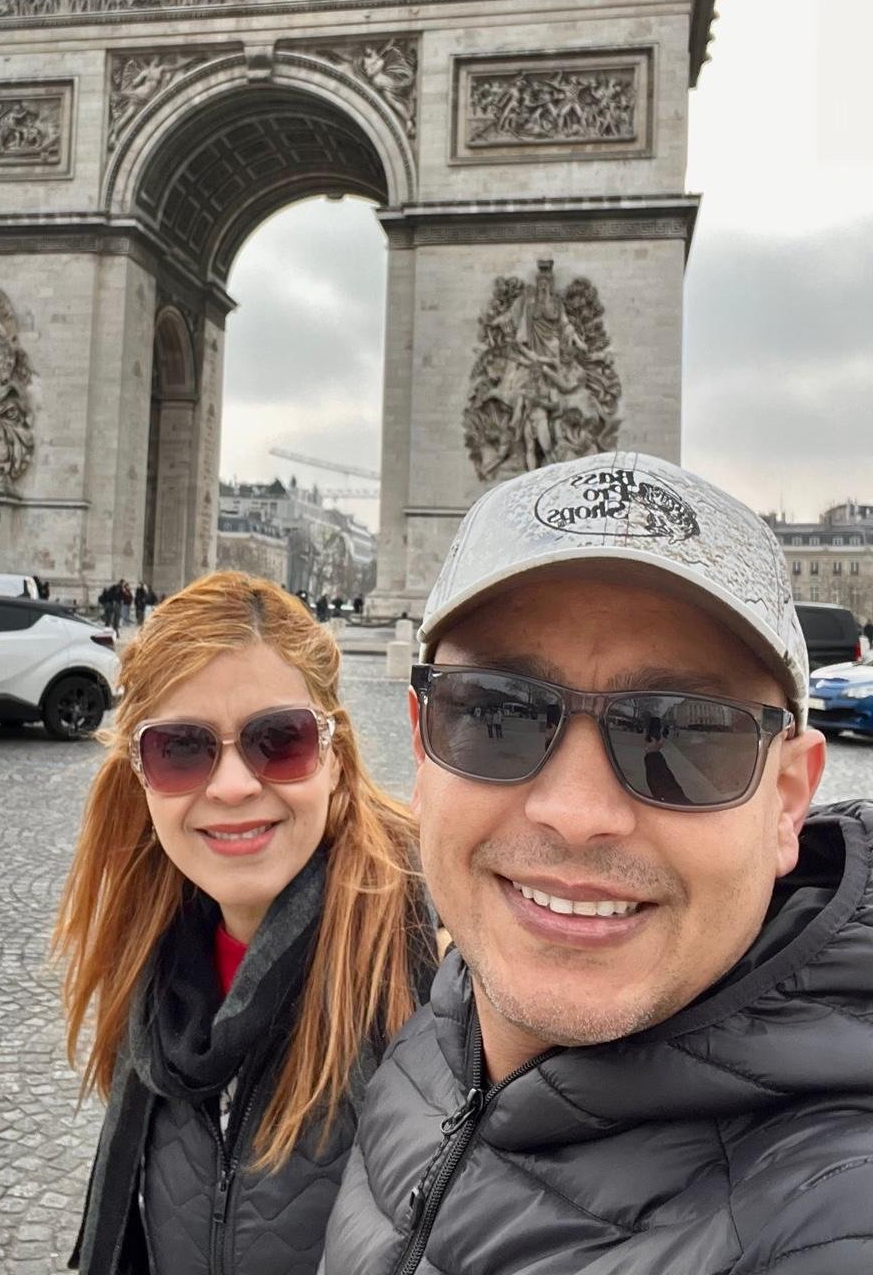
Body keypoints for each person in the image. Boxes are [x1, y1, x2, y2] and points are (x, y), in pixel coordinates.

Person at [325, 450, 873, 1274]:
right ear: (421, 744)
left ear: (788, 797)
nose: (576, 815)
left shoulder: (833, 1216)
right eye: (498, 714)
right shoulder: (436, 1037)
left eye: (683, 731)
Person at [51, 572, 435, 1275]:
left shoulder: (442, 977)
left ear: (336, 761)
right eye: (180, 749)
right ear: (139, 771)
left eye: (278, 740)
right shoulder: (152, 960)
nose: (231, 786)